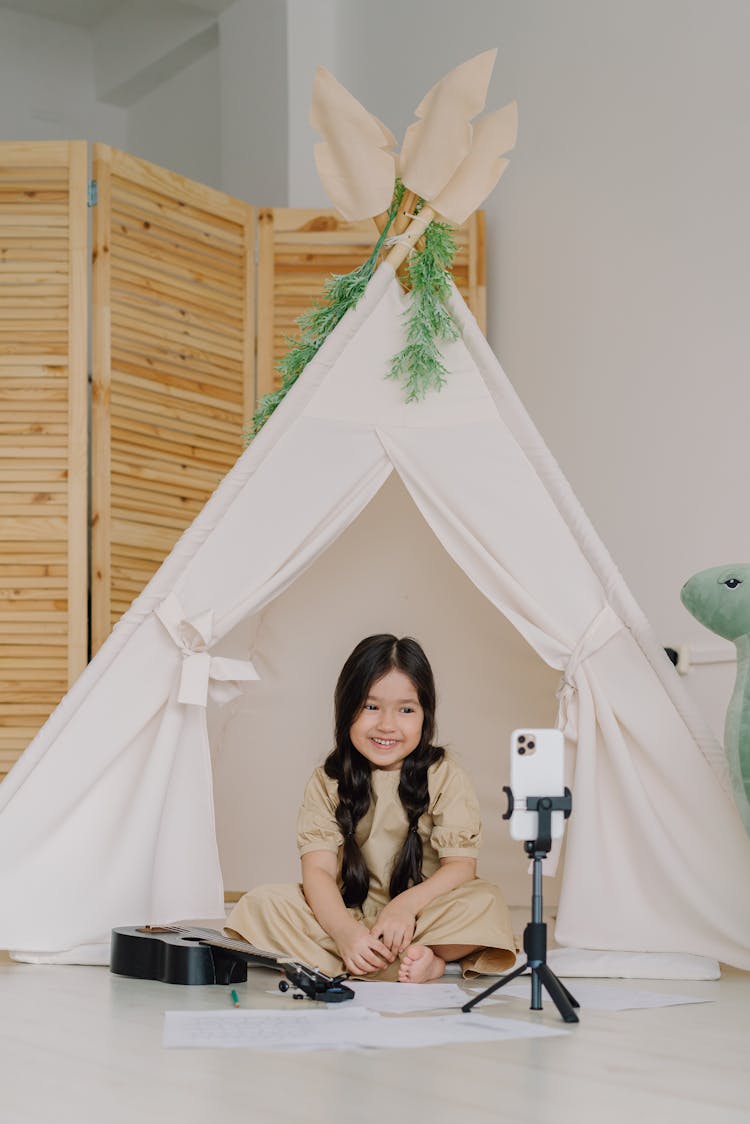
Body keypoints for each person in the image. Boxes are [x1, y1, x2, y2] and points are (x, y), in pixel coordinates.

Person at [225, 634, 516, 982]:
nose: (387, 725)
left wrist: (403, 907)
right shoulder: (327, 780)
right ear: (346, 708)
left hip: (421, 916)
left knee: (485, 902)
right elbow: (317, 871)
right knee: (261, 904)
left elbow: (460, 867)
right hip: (347, 913)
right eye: (370, 706)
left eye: (406, 709)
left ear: (426, 715)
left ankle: (376, 958)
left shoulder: (444, 774)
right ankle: (415, 960)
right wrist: (344, 932)